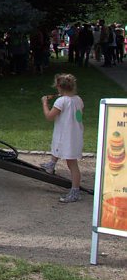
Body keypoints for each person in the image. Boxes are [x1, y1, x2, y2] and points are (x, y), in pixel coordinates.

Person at [40, 74, 84, 203]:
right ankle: (51, 164)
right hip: (74, 133)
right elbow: (79, 116)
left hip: (67, 135)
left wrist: (44, 103)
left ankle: (75, 191)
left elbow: (49, 116)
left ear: (59, 87)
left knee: (72, 163)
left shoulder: (61, 101)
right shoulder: (78, 99)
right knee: (57, 147)